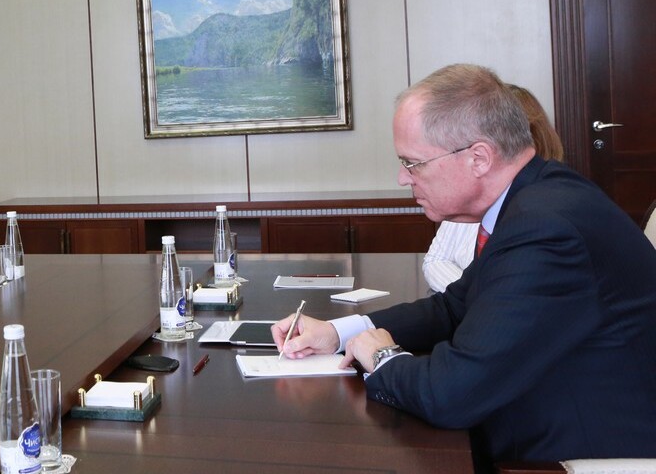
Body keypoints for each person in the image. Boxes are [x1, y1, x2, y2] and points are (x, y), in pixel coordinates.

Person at [273, 64, 656, 471]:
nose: (403, 178)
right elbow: (453, 307)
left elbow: (450, 395)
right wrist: (339, 333)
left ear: (479, 158)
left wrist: (382, 356)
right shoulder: (535, 198)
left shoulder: (545, 227)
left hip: (584, 449)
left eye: (413, 162)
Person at [420, 84, 565, 292]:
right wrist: (473, 294)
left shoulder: (543, 209)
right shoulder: (471, 194)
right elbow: (435, 260)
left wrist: (475, 293)